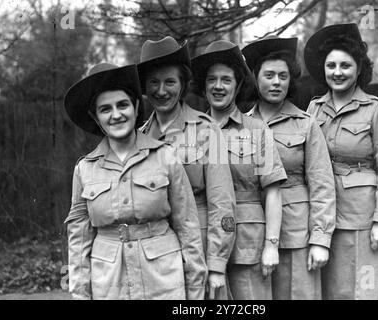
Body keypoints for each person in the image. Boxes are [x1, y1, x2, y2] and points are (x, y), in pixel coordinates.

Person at [63, 62, 207, 300]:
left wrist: (194, 291)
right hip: (109, 282)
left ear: (136, 106)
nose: (116, 115)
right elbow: (78, 241)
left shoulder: (165, 157)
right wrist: (80, 294)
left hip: (163, 279)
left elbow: (188, 228)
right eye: (105, 109)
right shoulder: (85, 169)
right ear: (95, 117)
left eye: (123, 105)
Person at [304, 23, 378, 299]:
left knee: (365, 291)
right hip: (323, 217)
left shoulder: (375, 109)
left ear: (359, 69)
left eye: (345, 65)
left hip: (362, 219)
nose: (337, 72)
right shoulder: (314, 108)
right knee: (331, 292)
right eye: (331, 65)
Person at [137, 36, 236, 300]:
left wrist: (216, 265)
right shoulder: (139, 137)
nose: (161, 91)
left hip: (201, 246)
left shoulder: (206, 130)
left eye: (170, 82)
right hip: (156, 251)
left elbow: (222, 202)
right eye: (154, 83)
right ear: (145, 88)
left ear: (182, 86)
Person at [191, 40, 287, 300]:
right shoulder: (191, 132)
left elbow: (273, 193)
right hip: (204, 246)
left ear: (238, 85)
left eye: (226, 80)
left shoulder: (256, 130)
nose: (218, 86)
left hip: (248, 246)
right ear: (203, 86)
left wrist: (271, 245)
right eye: (212, 80)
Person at [241, 35, 336, 300]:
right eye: (269, 75)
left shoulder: (305, 124)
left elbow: (322, 184)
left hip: (297, 236)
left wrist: (320, 240)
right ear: (255, 78)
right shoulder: (241, 126)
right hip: (254, 233)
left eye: (283, 76)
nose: (276, 82)